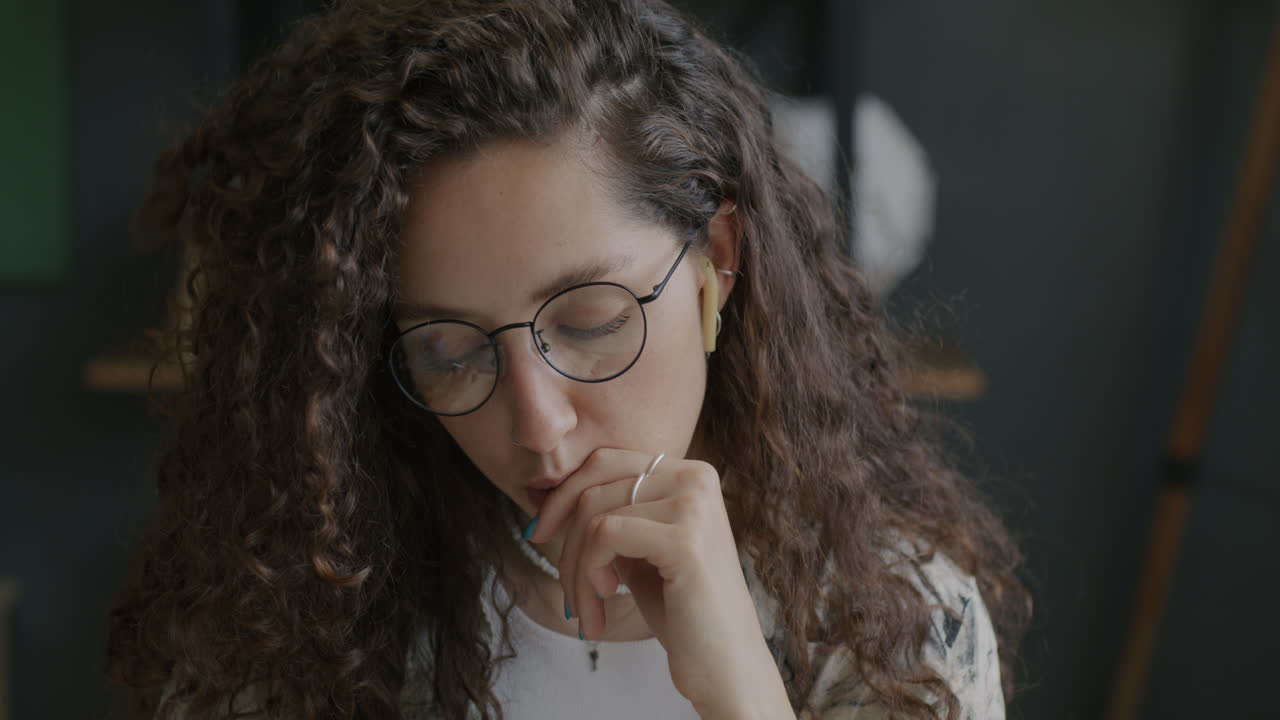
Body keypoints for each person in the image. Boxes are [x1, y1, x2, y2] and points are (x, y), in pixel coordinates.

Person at [107, 1, 1030, 718]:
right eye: (449, 350)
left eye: (591, 321)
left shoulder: (900, 626)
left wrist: (743, 694)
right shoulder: (299, 605)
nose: (538, 426)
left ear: (720, 261)